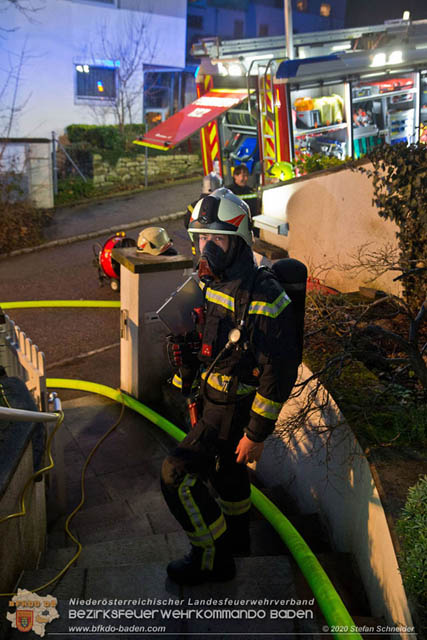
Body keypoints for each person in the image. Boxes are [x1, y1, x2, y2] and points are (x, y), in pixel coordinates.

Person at [161, 187, 300, 585]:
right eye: (202, 239)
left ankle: (211, 559)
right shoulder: (216, 283)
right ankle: (238, 539)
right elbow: (218, 345)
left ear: (238, 242)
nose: (207, 249)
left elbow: (279, 372)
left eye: (217, 240)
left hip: (232, 412)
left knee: (176, 475)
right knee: (228, 477)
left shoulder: (264, 297)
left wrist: (255, 434)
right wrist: (188, 352)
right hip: (210, 401)